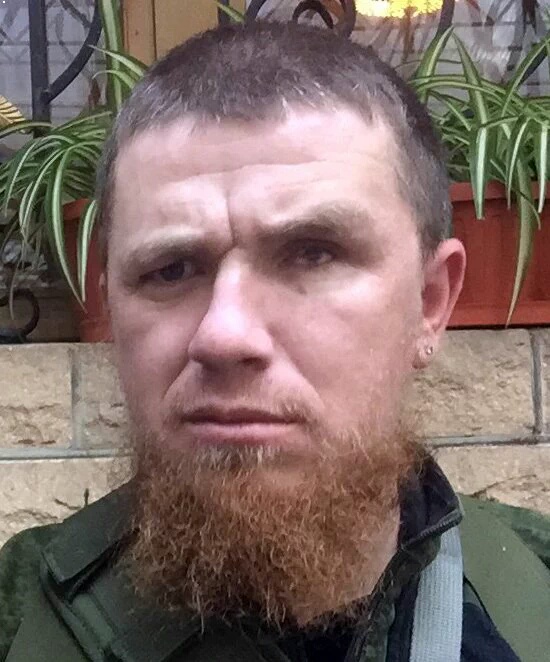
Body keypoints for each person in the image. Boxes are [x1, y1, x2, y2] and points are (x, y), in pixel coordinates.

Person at [1, 20, 550, 662]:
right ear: (113, 317)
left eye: (312, 254)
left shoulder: (532, 593)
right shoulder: (17, 618)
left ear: (429, 304)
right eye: (170, 270)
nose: (224, 334)